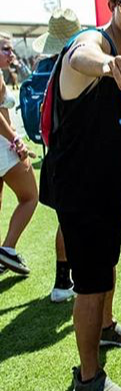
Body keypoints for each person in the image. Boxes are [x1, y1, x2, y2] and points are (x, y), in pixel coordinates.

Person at [39, 0, 121, 391]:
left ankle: (105, 327)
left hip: (110, 180)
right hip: (80, 184)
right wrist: (109, 66)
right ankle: (88, 380)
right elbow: (80, 57)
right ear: (111, 6)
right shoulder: (93, 43)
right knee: (89, 282)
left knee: (106, 264)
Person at [30, 8, 84, 301]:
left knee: (66, 221)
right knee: (72, 222)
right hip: (71, 156)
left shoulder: (47, 67)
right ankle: (65, 282)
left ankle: (64, 280)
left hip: (55, 153)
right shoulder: (73, 64)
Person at [0, 34, 39, 279]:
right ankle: (7, 249)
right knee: (30, 197)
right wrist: (16, 140)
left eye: (12, 49)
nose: (11, 54)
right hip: (4, 147)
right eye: (5, 49)